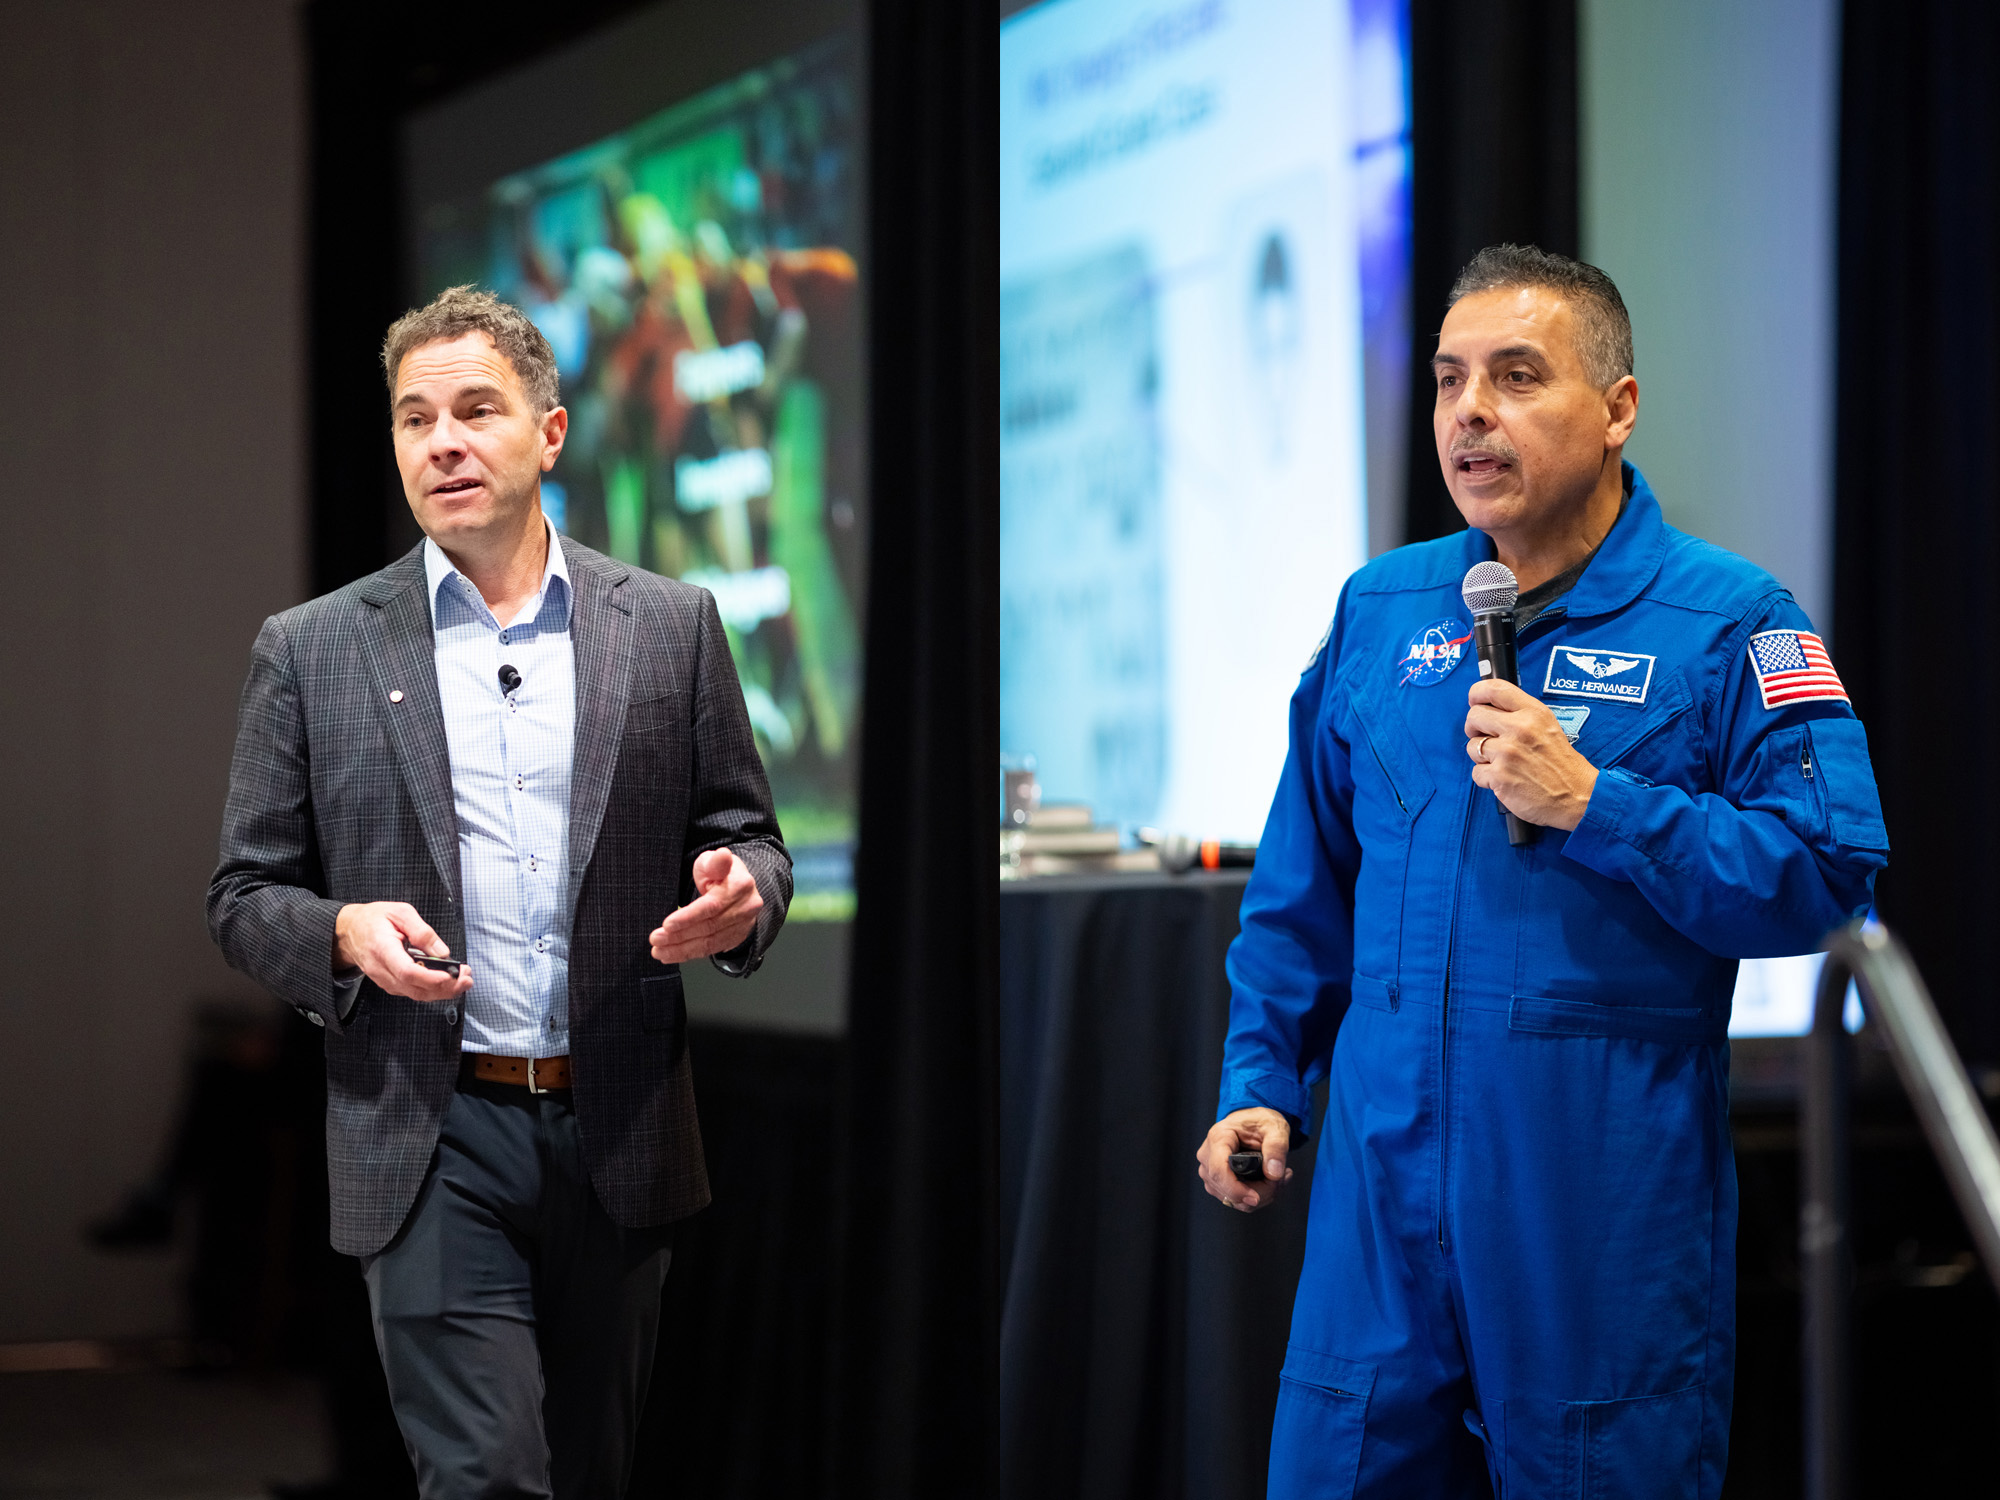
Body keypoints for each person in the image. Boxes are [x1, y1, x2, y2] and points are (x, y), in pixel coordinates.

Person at [1196, 245, 1887, 1497]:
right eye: (1450, 380)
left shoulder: (1733, 617)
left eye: (1516, 378)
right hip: (1377, 1218)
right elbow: (1299, 892)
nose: (1469, 412)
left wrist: (1595, 805)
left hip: (1593, 1223)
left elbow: (1827, 865)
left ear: (1617, 407)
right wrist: (1262, 1079)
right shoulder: (1381, 607)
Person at [209, 284, 791, 1498]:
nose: (444, 442)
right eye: (416, 419)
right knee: (486, 1480)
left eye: (476, 409)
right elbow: (245, 891)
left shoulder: (671, 627)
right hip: (430, 1131)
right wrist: (341, 932)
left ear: (552, 432)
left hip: (619, 1126)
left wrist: (746, 892)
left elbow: (751, 835)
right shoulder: (313, 645)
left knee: (588, 1474)